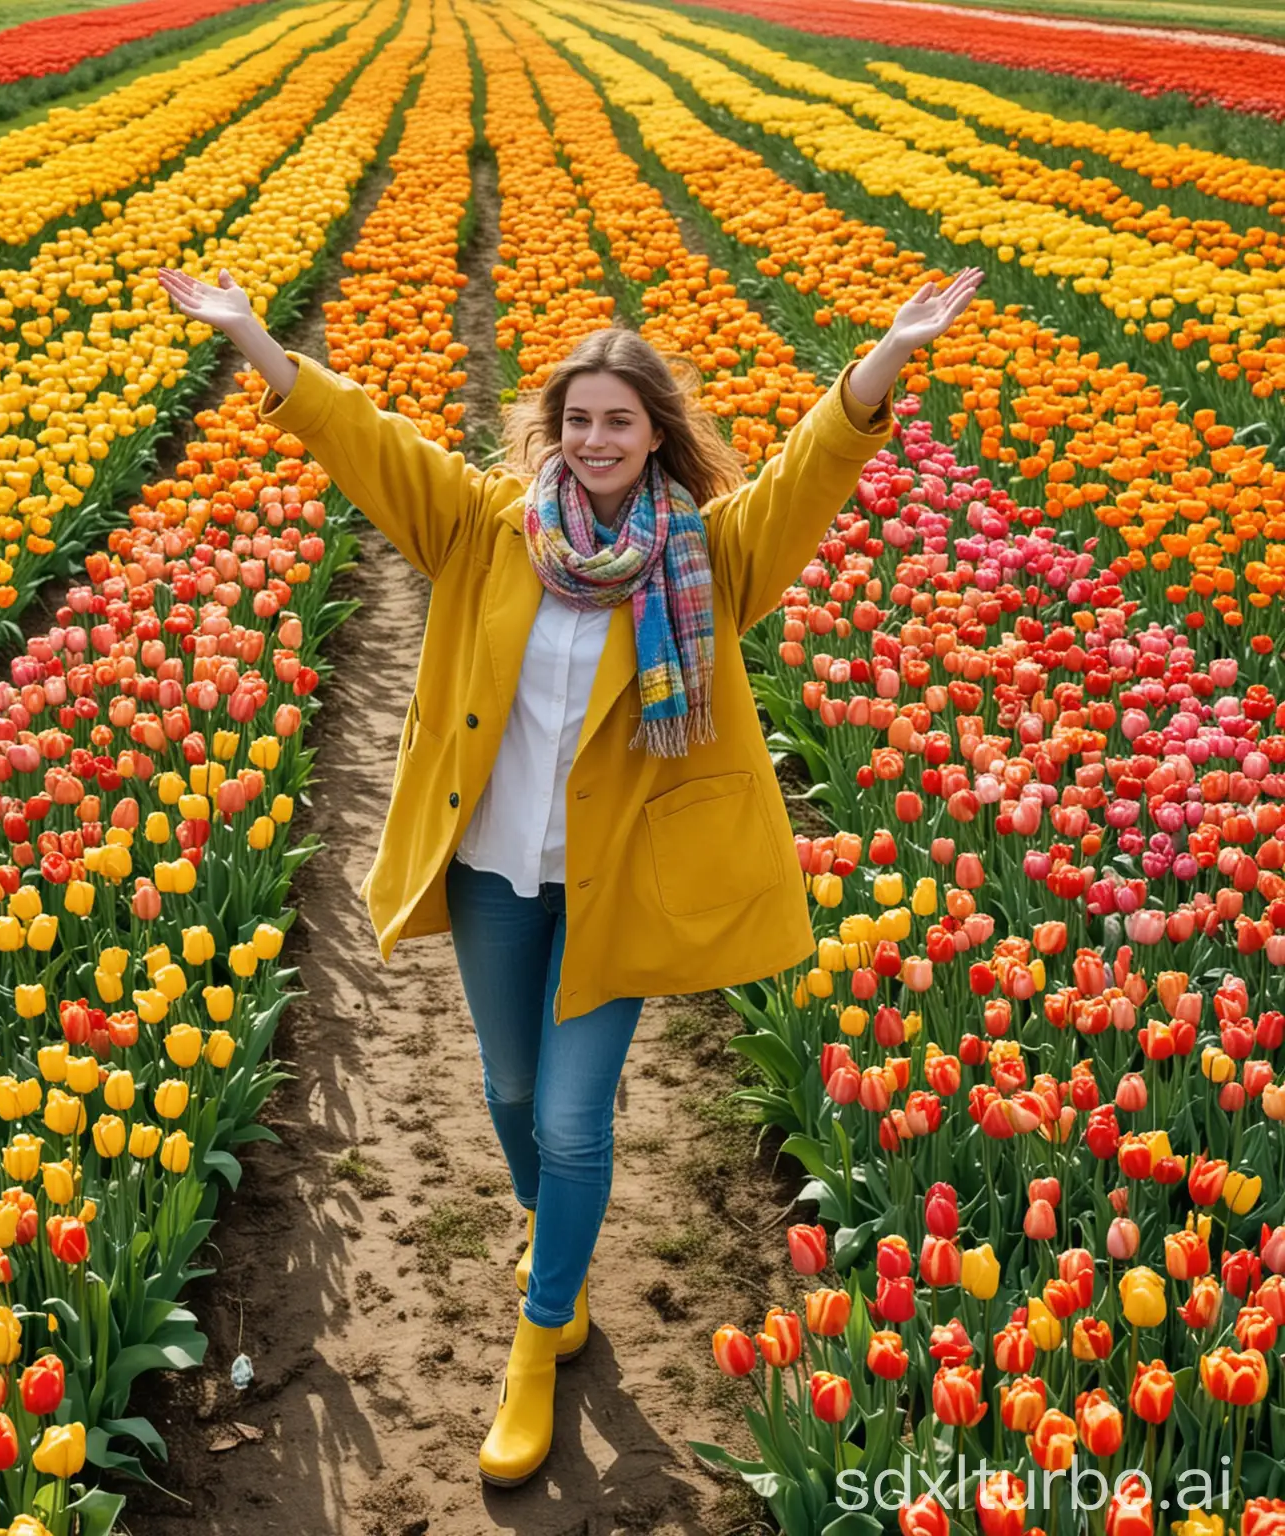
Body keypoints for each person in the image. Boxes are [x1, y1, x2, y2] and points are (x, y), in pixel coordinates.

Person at [158, 261, 984, 1486]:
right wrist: (254, 342)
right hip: (494, 865)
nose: (597, 440)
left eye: (621, 420)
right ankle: (561, 1261)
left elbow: (812, 473)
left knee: (569, 1117)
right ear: (554, 432)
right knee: (504, 1089)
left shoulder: (702, 556)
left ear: (657, 435)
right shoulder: (485, 525)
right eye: (578, 420)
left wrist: (882, 363)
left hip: (616, 881)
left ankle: (538, 1340)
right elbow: (364, 440)